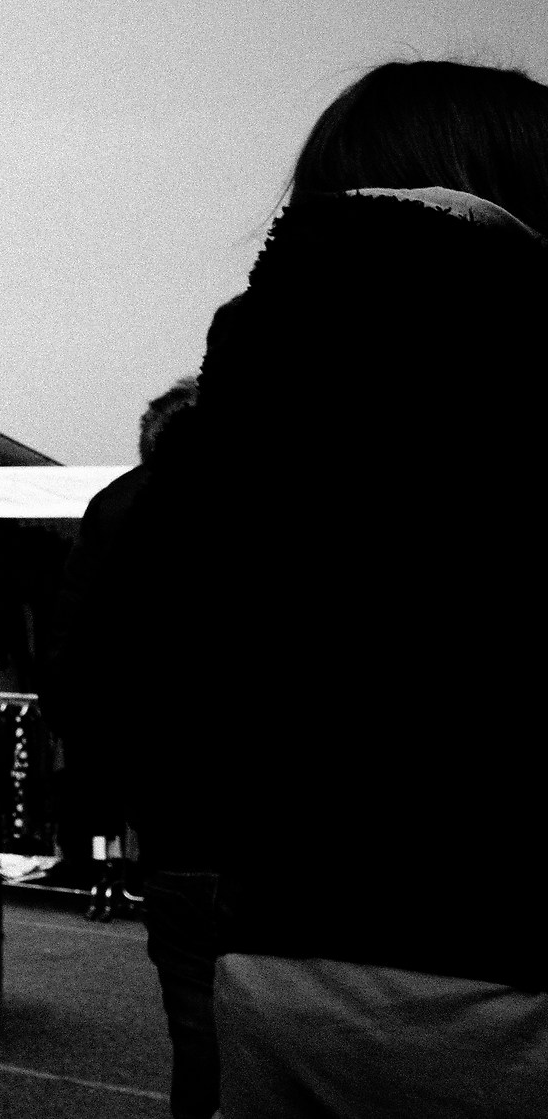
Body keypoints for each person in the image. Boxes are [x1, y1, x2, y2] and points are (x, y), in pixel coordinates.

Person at [137, 59, 548, 1116]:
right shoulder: (521, 362)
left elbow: (163, 649)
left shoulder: (240, 393)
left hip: (283, 944)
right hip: (507, 955)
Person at [47, 376, 219, 1119]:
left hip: (170, 801)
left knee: (193, 1013)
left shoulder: (117, 511)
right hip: (275, 807)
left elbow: (72, 668)